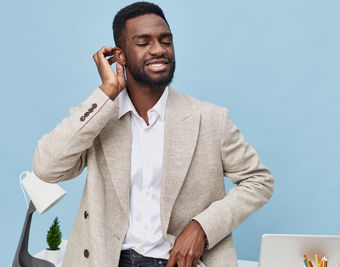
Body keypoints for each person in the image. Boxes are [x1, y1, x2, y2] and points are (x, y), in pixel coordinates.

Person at [33, 2, 274, 267]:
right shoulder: (99, 119)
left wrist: (202, 227)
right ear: (120, 56)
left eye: (165, 41)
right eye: (143, 42)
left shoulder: (210, 119)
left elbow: (259, 181)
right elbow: (47, 169)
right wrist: (107, 93)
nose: (159, 50)